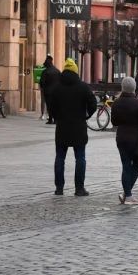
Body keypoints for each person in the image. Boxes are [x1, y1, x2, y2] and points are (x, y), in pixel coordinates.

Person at [47, 58, 98, 196]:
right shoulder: (83, 86)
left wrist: (57, 116)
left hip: (62, 127)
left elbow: (50, 106)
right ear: (76, 72)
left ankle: (59, 188)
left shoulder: (57, 87)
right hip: (78, 127)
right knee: (80, 158)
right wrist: (85, 115)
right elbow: (93, 104)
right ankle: (79, 188)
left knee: (60, 158)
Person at [112, 76, 138, 205]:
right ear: (134, 88)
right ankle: (127, 195)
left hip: (121, 138)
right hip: (135, 139)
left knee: (126, 166)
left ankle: (127, 194)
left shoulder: (116, 102)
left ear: (122, 87)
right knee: (137, 165)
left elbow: (114, 122)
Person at [39, 55, 61, 125]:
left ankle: (51, 118)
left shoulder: (45, 71)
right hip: (56, 92)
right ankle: (56, 119)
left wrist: (42, 87)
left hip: (48, 92)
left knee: (49, 105)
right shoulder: (57, 71)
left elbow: (42, 82)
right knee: (55, 105)